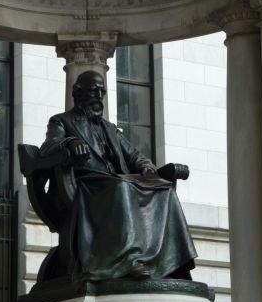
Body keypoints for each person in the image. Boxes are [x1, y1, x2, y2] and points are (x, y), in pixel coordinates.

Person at [39, 70, 197, 281]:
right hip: (87, 186)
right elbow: (48, 147)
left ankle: (175, 261)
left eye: (102, 91)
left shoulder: (110, 128)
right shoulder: (62, 121)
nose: (99, 96)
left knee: (164, 189)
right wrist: (69, 143)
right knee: (122, 187)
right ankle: (128, 261)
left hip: (114, 183)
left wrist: (146, 167)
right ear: (79, 92)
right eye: (94, 90)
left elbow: (133, 155)